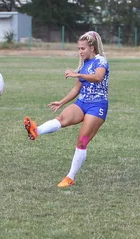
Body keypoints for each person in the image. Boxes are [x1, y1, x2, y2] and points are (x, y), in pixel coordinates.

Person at [24, 31, 109, 188]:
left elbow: (98, 77)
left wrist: (76, 74)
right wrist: (61, 102)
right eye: (79, 48)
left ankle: (70, 177)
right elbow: (77, 88)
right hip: (82, 102)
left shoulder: (100, 61)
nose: (80, 51)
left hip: (98, 106)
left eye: (83, 48)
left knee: (81, 141)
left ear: (92, 47)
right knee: (61, 119)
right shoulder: (85, 65)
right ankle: (36, 130)